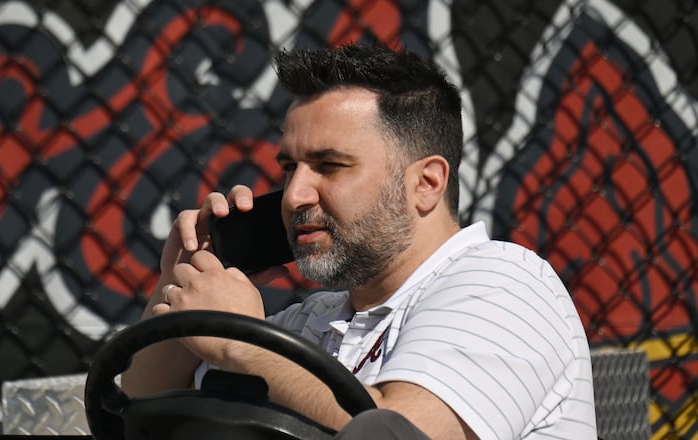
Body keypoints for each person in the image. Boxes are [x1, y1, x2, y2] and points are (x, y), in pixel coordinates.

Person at [121, 44, 597, 439]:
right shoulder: (313, 321)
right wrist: (186, 276)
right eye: (289, 168)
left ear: (426, 183)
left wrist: (242, 346)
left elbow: (404, 433)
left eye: (330, 166)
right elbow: (135, 410)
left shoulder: (504, 284)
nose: (294, 195)